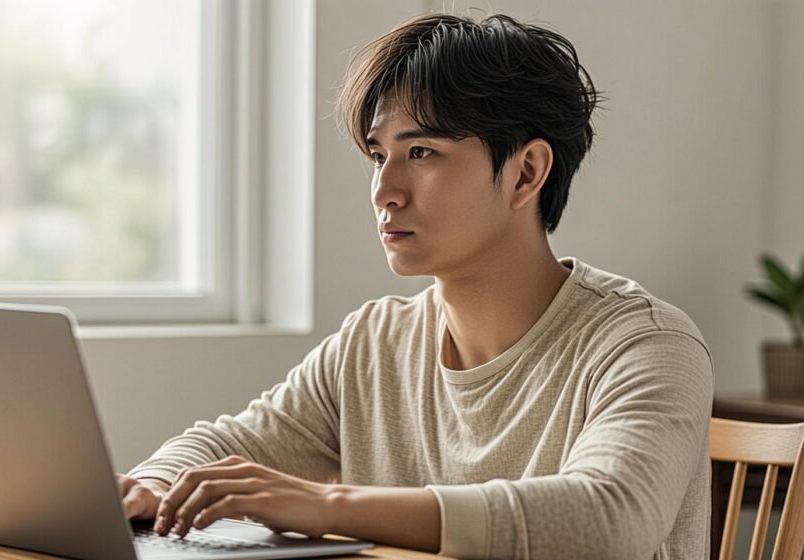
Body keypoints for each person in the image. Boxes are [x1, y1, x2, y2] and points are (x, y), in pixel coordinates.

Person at [117, 12, 713, 559]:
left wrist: (327, 505)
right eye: (379, 155)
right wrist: (152, 487)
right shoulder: (375, 342)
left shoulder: (647, 345)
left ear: (526, 172)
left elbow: (610, 519)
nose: (384, 191)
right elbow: (232, 445)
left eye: (422, 151)